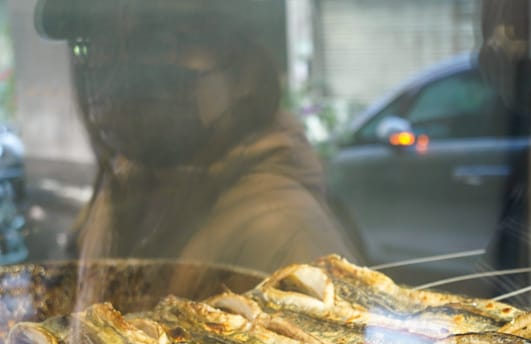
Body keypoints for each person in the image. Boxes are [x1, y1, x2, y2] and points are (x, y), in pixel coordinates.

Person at [33, 0, 360, 295]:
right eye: (100, 43)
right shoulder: (125, 196)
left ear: (246, 69)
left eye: (160, 42)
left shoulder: (281, 232)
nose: (122, 72)